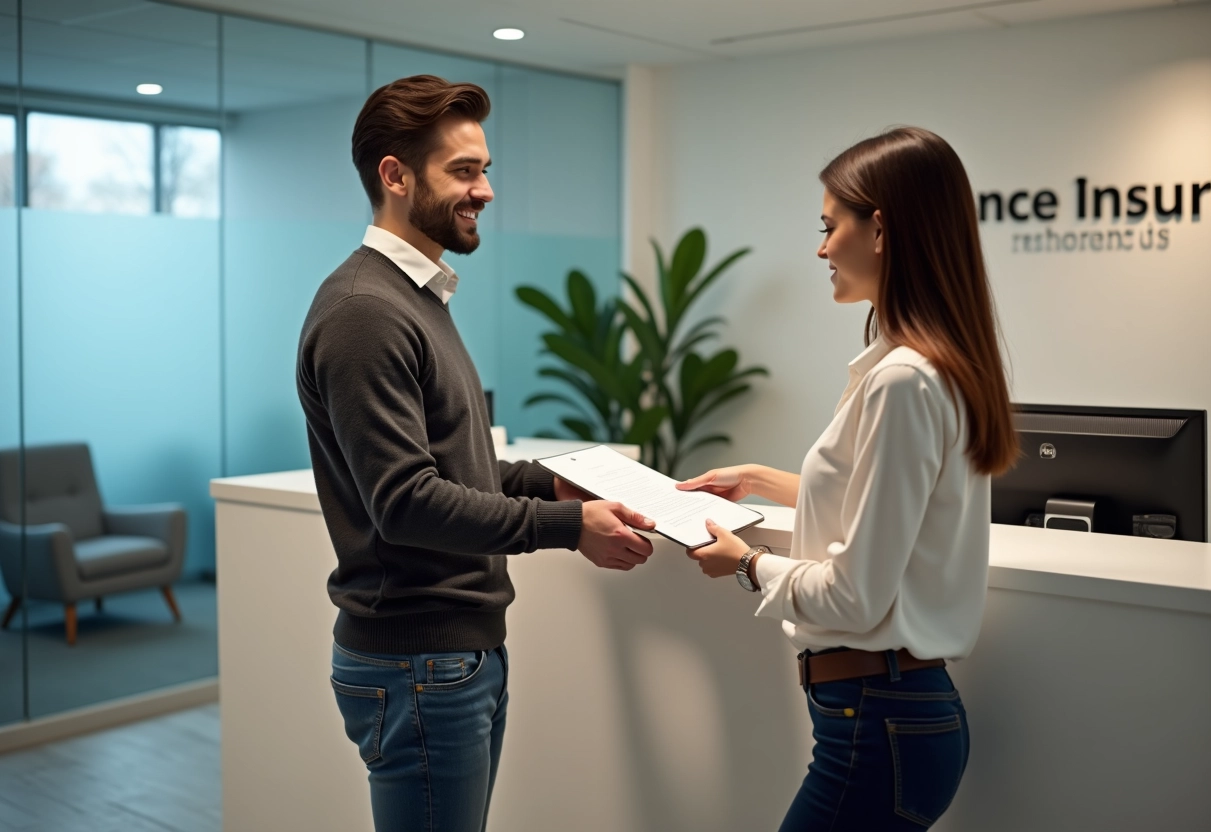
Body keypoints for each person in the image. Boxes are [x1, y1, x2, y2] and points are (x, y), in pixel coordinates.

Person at [296, 75, 655, 832]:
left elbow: (454, 463)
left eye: (484, 169)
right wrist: (566, 529)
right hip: (417, 663)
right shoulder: (366, 310)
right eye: (465, 171)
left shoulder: (418, 297)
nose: (485, 190)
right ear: (395, 175)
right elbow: (404, 503)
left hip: (453, 656)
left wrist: (559, 482)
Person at [678, 126, 1017, 831]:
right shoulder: (933, 367)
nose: (821, 248)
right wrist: (761, 479)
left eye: (830, 227)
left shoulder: (902, 380)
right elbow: (892, 507)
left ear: (882, 228)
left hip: (878, 722)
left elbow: (858, 596)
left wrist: (748, 564)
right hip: (893, 720)